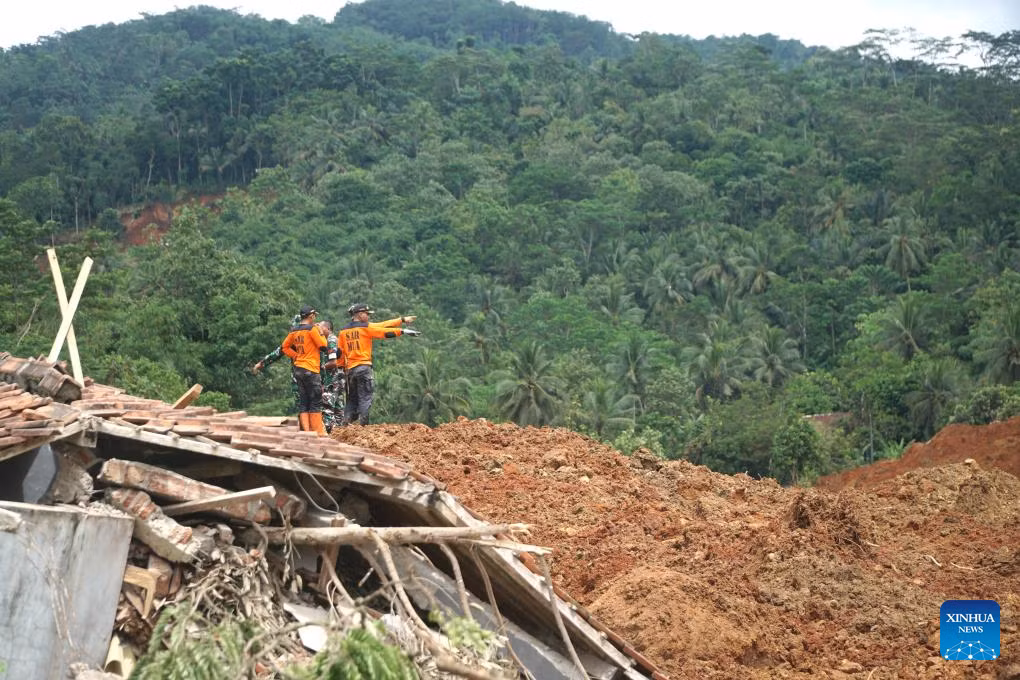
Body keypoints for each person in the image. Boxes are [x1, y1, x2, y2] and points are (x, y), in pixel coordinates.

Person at [338, 302, 419, 426]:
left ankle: (345, 424)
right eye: (367, 314)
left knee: (351, 400)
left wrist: (401, 320)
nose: (369, 316)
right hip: (364, 367)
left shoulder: (343, 331)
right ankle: (363, 426)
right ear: (359, 314)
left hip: (350, 371)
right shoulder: (366, 328)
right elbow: (383, 332)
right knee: (365, 398)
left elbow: (340, 352)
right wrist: (402, 331)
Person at [281, 305, 328, 436]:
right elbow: (323, 346)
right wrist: (320, 331)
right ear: (311, 316)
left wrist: (295, 356)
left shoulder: (294, 331)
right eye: (315, 316)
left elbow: (284, 347)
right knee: (315, 401)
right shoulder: (312, 329)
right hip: (311, 369)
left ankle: (307, 432)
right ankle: (318, 432)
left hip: (299, 370)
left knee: (304, 401)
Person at [251, 314, 301, 416]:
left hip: (313, 376)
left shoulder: (314, 337)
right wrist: (261, 364)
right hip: (300, 377)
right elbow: (277, 353)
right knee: (303, 406)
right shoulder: (291, 342)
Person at [317, 318, 345, 433]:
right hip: (337, 378)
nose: (318, 329)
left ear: (327, 328)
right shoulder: (327, 340)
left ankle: (330, 431)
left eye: (320, 327)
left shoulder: (331, 340)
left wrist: (320, 368)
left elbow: (333, 362)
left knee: (327, 406)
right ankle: (340, 431)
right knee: (338, 407)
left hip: (332, 379)